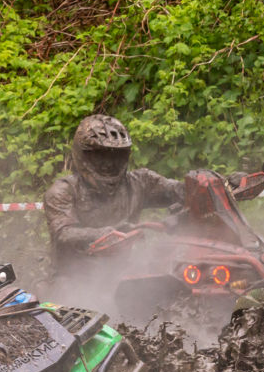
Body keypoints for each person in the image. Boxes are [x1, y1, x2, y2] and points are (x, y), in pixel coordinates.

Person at [44, 115, 184, 268]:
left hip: (121, 271)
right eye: (100, 156)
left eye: (116, 156)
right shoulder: (64, 190)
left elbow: (180, 190)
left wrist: (198, 183)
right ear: (83, 155)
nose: (109, 164)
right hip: (72, 273)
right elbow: (63, 233)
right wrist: (102, 234)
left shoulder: (141, 182)